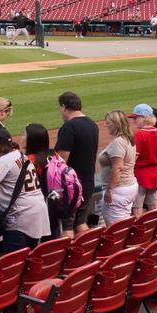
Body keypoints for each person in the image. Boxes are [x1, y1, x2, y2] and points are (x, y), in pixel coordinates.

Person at [0, 128, 49, 251]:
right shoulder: (22, 156)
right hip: (38, 213)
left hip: (21, 217)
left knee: (14, 263)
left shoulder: (3, 161)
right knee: (29, 257)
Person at [53, 92, 98, 235]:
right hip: (88, 182)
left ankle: (68, 257)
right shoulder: (92, 124)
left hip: (72, 187)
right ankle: (85, 254)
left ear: (64, 107)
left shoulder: (69, 127)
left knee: (67, 226)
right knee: (80, 222)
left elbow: (61, 160)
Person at [98, 110, 139, 224]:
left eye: (109, 123)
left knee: (115, 229)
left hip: (118, 189)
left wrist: (110, 189)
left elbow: (118, 168)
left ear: (116, 124)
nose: (106, 125)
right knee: (123, 225)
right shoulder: (128, 138)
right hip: (127, 186)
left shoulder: (119, 142)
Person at [128, 104, 157, 215]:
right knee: (154, 206)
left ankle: (140, 231)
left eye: (136, 118)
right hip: (155, 173)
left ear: (144, 118)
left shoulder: (139, 134)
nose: (134, 121)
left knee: (137, 207)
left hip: (140, 174)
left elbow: (133, 158)